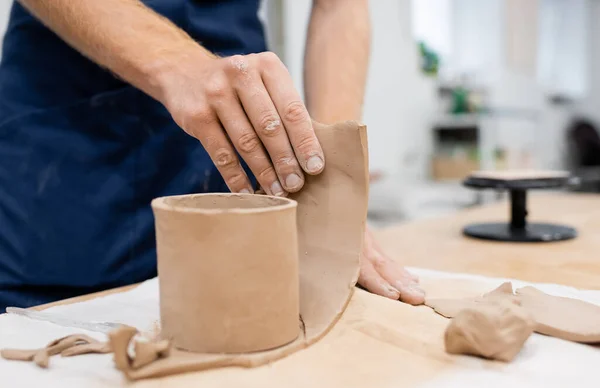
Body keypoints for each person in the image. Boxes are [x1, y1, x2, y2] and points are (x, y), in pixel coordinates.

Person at [0, 0, 425, 310]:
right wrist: (178, 65)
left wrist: (330, 184)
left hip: (237, 132)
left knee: (237, 310)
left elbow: (338, 7)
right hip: (66, 146)